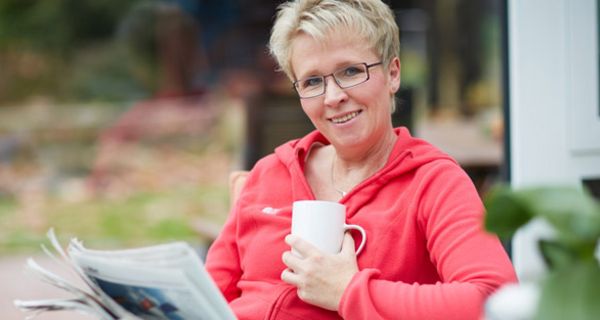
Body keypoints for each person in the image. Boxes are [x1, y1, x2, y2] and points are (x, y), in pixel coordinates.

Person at [205, 0, 517, 319]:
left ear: (392, 74)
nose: (333, 97)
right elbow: (206, 297)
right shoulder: (270, 172)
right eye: (313, 81)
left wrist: (349, 291)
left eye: (351, 71)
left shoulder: (433, 182)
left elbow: (494, 298)